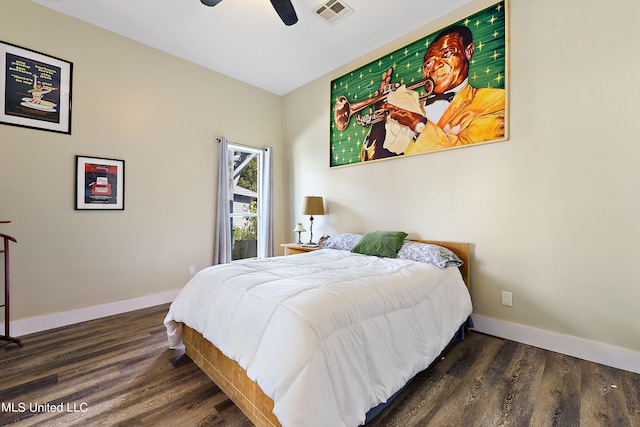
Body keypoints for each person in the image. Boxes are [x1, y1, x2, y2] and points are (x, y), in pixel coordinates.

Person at [360, 25, 505, 160]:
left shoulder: (495, 100)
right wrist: (379, 117)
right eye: (428, 63)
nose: (435, 66)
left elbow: (472, 157)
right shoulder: (411, 105)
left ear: (468, 51)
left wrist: (418, 124)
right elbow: (375, 161)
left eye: (447, 53)